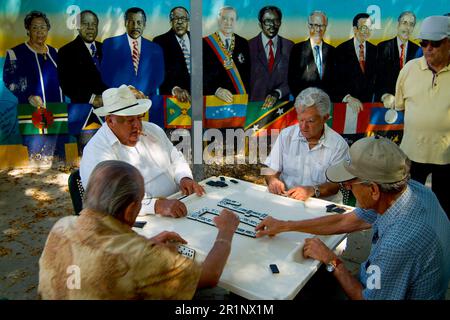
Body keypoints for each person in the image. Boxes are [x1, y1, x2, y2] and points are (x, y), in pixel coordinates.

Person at [256, 136, 450, 300]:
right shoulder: (412, 190)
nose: (347, 187)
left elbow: (366, 297)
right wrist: (285, 225)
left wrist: (332, 261)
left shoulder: (396, 245)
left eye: (350, 184)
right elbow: (346, 221)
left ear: (373, 189)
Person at [39, 160, 240, 299]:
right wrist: (226, 231)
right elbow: (210, 275)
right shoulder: (139, 256)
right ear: (129, 211)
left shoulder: (61, 226)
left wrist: (147, 245)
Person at [80, 85, 204, 218]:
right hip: (134, 219)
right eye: (130, 121)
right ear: (110, 121)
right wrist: (155, 206)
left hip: (175, 203)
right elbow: (109, 199)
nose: (138, 126)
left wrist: (184, 178)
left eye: (139, 118)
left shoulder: (153, 130)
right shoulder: (96, 151)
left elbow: (175, 157)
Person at [390, 15, 449, 217]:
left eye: (436, 43)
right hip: (413, 155)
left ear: (448, 42)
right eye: (424, 43)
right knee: (408, 210)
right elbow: (401, 106)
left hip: (447, 158)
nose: (428, 48)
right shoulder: (409, 69)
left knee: (444, 212)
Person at [263, 87, 349, 203]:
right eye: (301, 120)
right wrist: (273, 180)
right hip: (286, 199)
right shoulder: (286, 135)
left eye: (310, 121)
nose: (303, 127)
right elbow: (270, 168)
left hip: (322, 206)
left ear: (325, 118)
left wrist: (312, 190)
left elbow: (336, 185)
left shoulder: (338, 145)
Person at [3, 10, 63, 106]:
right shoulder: (15, 53)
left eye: (43, 27)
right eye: (35, 28)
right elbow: (10, 80)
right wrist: (28, 96)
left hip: (58, 111)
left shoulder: (55, 53)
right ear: (28, 30)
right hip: (31, 111)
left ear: (47, 29)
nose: (39, 31)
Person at [101, 7, 164, 97]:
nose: (135, 26)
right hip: (119, 100)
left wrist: (141, 93)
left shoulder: (155, 48)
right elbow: (106, 74)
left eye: (139, 22)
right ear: (125, 23)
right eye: (131, 22)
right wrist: (127, 91)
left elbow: (159, 76)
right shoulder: (110, 44)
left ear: (144, 24)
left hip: (146, 99)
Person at [58, 10, 108, 107]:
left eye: (94, 24)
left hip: (110, 111)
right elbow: (66, 85)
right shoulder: (66, 51)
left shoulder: (106, 48)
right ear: (77, 27)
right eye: (85, 24)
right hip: (83, 112)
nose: (90, 28)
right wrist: (92, 98)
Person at [248, 6, 293, 108]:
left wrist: (278, 92)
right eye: (267, 21)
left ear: (280, 23)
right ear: (260, 24)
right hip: (254, 109)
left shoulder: (289, 46)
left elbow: (293, 80)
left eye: (276, 21)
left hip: (280, 109)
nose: (272, 25)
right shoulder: (248, 47)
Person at [203, 6, 250, 102]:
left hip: (238, 101)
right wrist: (216, 90)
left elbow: (248, 74)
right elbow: (200, 75)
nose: (228, 23)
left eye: (232, 19)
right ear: (218, 20)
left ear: (236, 21)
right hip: (213, 100)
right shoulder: (205, 43)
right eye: (224, 19)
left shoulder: (243, 43)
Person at [288, 11, 336, 100]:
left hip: (327, 104)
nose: (318, 29)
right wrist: (306, 100)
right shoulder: (297, 49)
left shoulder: (333, 51)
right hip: (304, 104)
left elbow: (336, 82)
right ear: (309, 26)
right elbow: (292, 81)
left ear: (326, 27)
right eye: (315, 25)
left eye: (322, 25)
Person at [374, 11, 420, 104]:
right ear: (398, 24)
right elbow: (376, 78)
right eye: (404, 23)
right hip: (386, 103)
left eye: (411, 24)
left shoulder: (418, 51)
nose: (407, 28)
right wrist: (384, 95)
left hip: (410, 104)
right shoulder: (382, 47)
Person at [335, 13, 376, 112]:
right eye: (363, 28)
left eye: (370, 28)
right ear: (355, 29)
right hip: (347, 107)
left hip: (368, 108)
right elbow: (335, 81)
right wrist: (348, 98)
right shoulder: (340, 50)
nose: (367, 31)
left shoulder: (375, 50)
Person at [153, 6, 191, 103]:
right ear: (170, 22)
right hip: (173, 100)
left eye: (183, 18)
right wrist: (175, 88)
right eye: (176, 19)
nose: (180, 22)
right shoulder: (159, 42)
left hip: (200, 98)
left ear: (188, 21)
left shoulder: (199, 41)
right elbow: (158, 73)